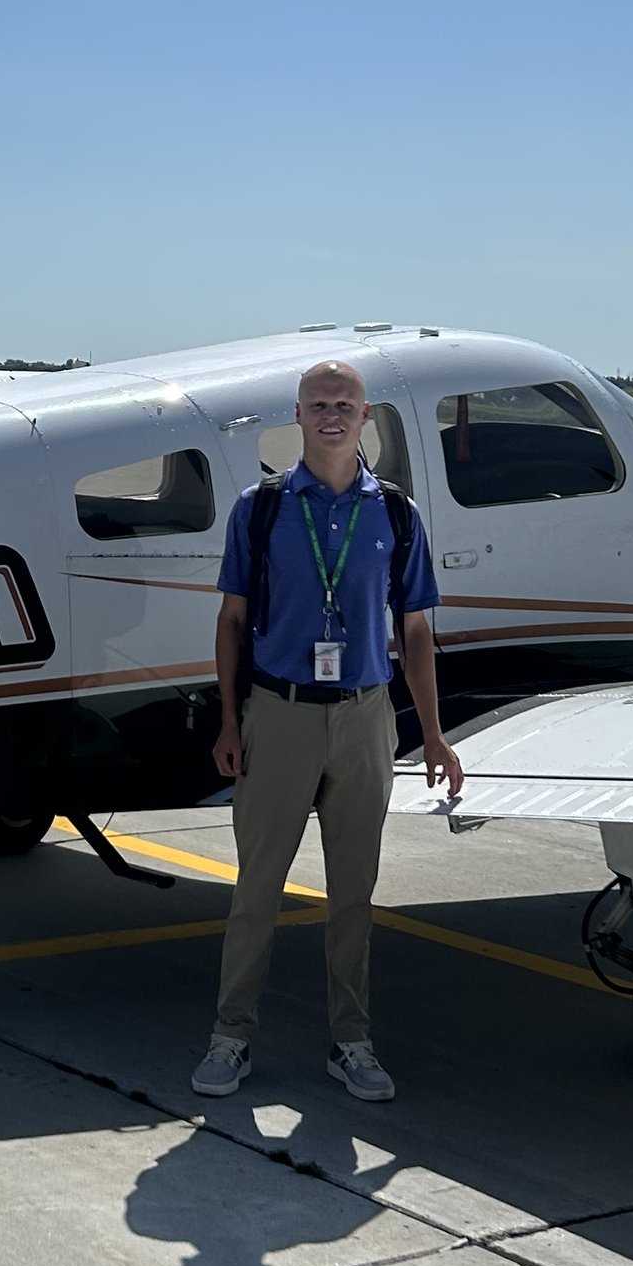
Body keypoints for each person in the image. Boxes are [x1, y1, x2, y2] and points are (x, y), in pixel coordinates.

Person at [192, 360, 463, 1104]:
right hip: (277, 713)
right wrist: (229, 718)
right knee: (257, 887)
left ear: (366, 413)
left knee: (355, 891)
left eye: (344, 403)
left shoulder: (397, 514)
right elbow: (232, 622)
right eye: (318, 404)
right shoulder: (263, 508)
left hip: (365, 714)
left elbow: (414, 632)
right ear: (299, 415)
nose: (332, 414)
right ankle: (231, 1036)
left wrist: (431, 734)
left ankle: (352, 1040)